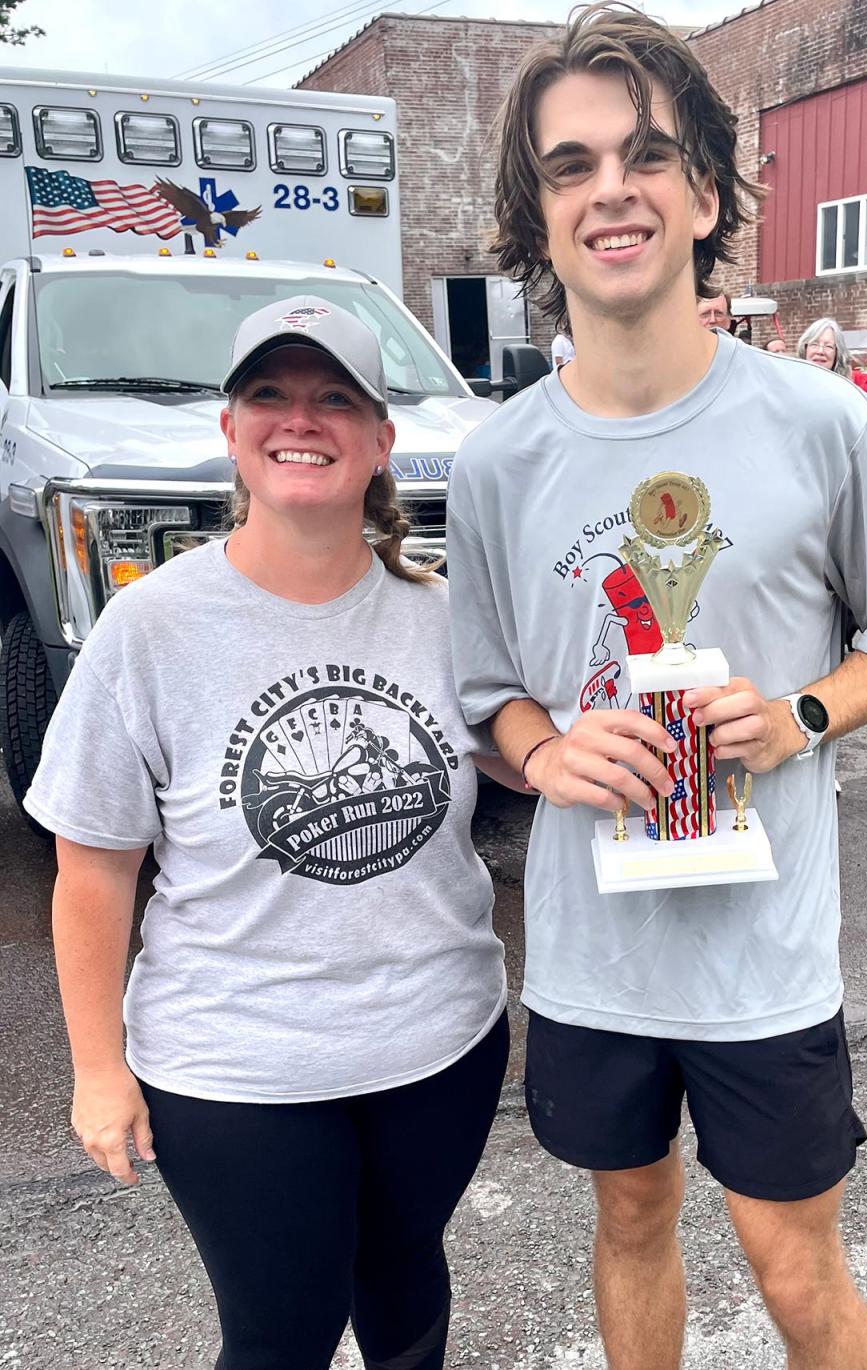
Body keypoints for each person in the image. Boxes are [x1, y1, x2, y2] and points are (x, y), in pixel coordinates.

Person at [446, 7, 867, 1369]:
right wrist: (543, 753)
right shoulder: (498, 464)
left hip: (763, 960)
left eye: (648, 155)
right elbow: (488, 692)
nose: (611, 188)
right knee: (631, 1217)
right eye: (570, 165)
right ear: (537, 214)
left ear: (705, 192)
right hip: (595, 961)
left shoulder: (823, 424)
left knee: (795, 1269)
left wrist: (801, 716)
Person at [25, 296, 512, 1370]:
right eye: (272, 395)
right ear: (232, 430)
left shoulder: (444, 615)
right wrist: (97, 1067)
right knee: (282, 1331)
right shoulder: (149, 627)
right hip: (234, 1070)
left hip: (441, 1043)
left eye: (337, 396)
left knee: (404, 1283)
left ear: (382, 440)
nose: (304, 418)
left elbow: (527, 751)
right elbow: (93, 868)